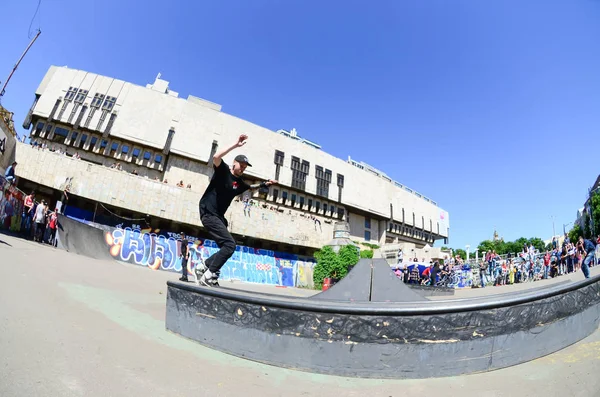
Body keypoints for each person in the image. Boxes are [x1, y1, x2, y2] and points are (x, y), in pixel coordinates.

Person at [195, 134, 277, 287]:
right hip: (207, 212)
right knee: (230, 245)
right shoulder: (223, 171)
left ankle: (203, 267)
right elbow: (216, 157)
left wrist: (266, 183)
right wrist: (235, 145)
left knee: (225, 248)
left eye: (245, 167)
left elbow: (251, 187)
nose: (242, 169)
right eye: (241, 165)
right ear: (234, 163)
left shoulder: (239, 183)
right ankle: (208, 275)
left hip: (218, 217)